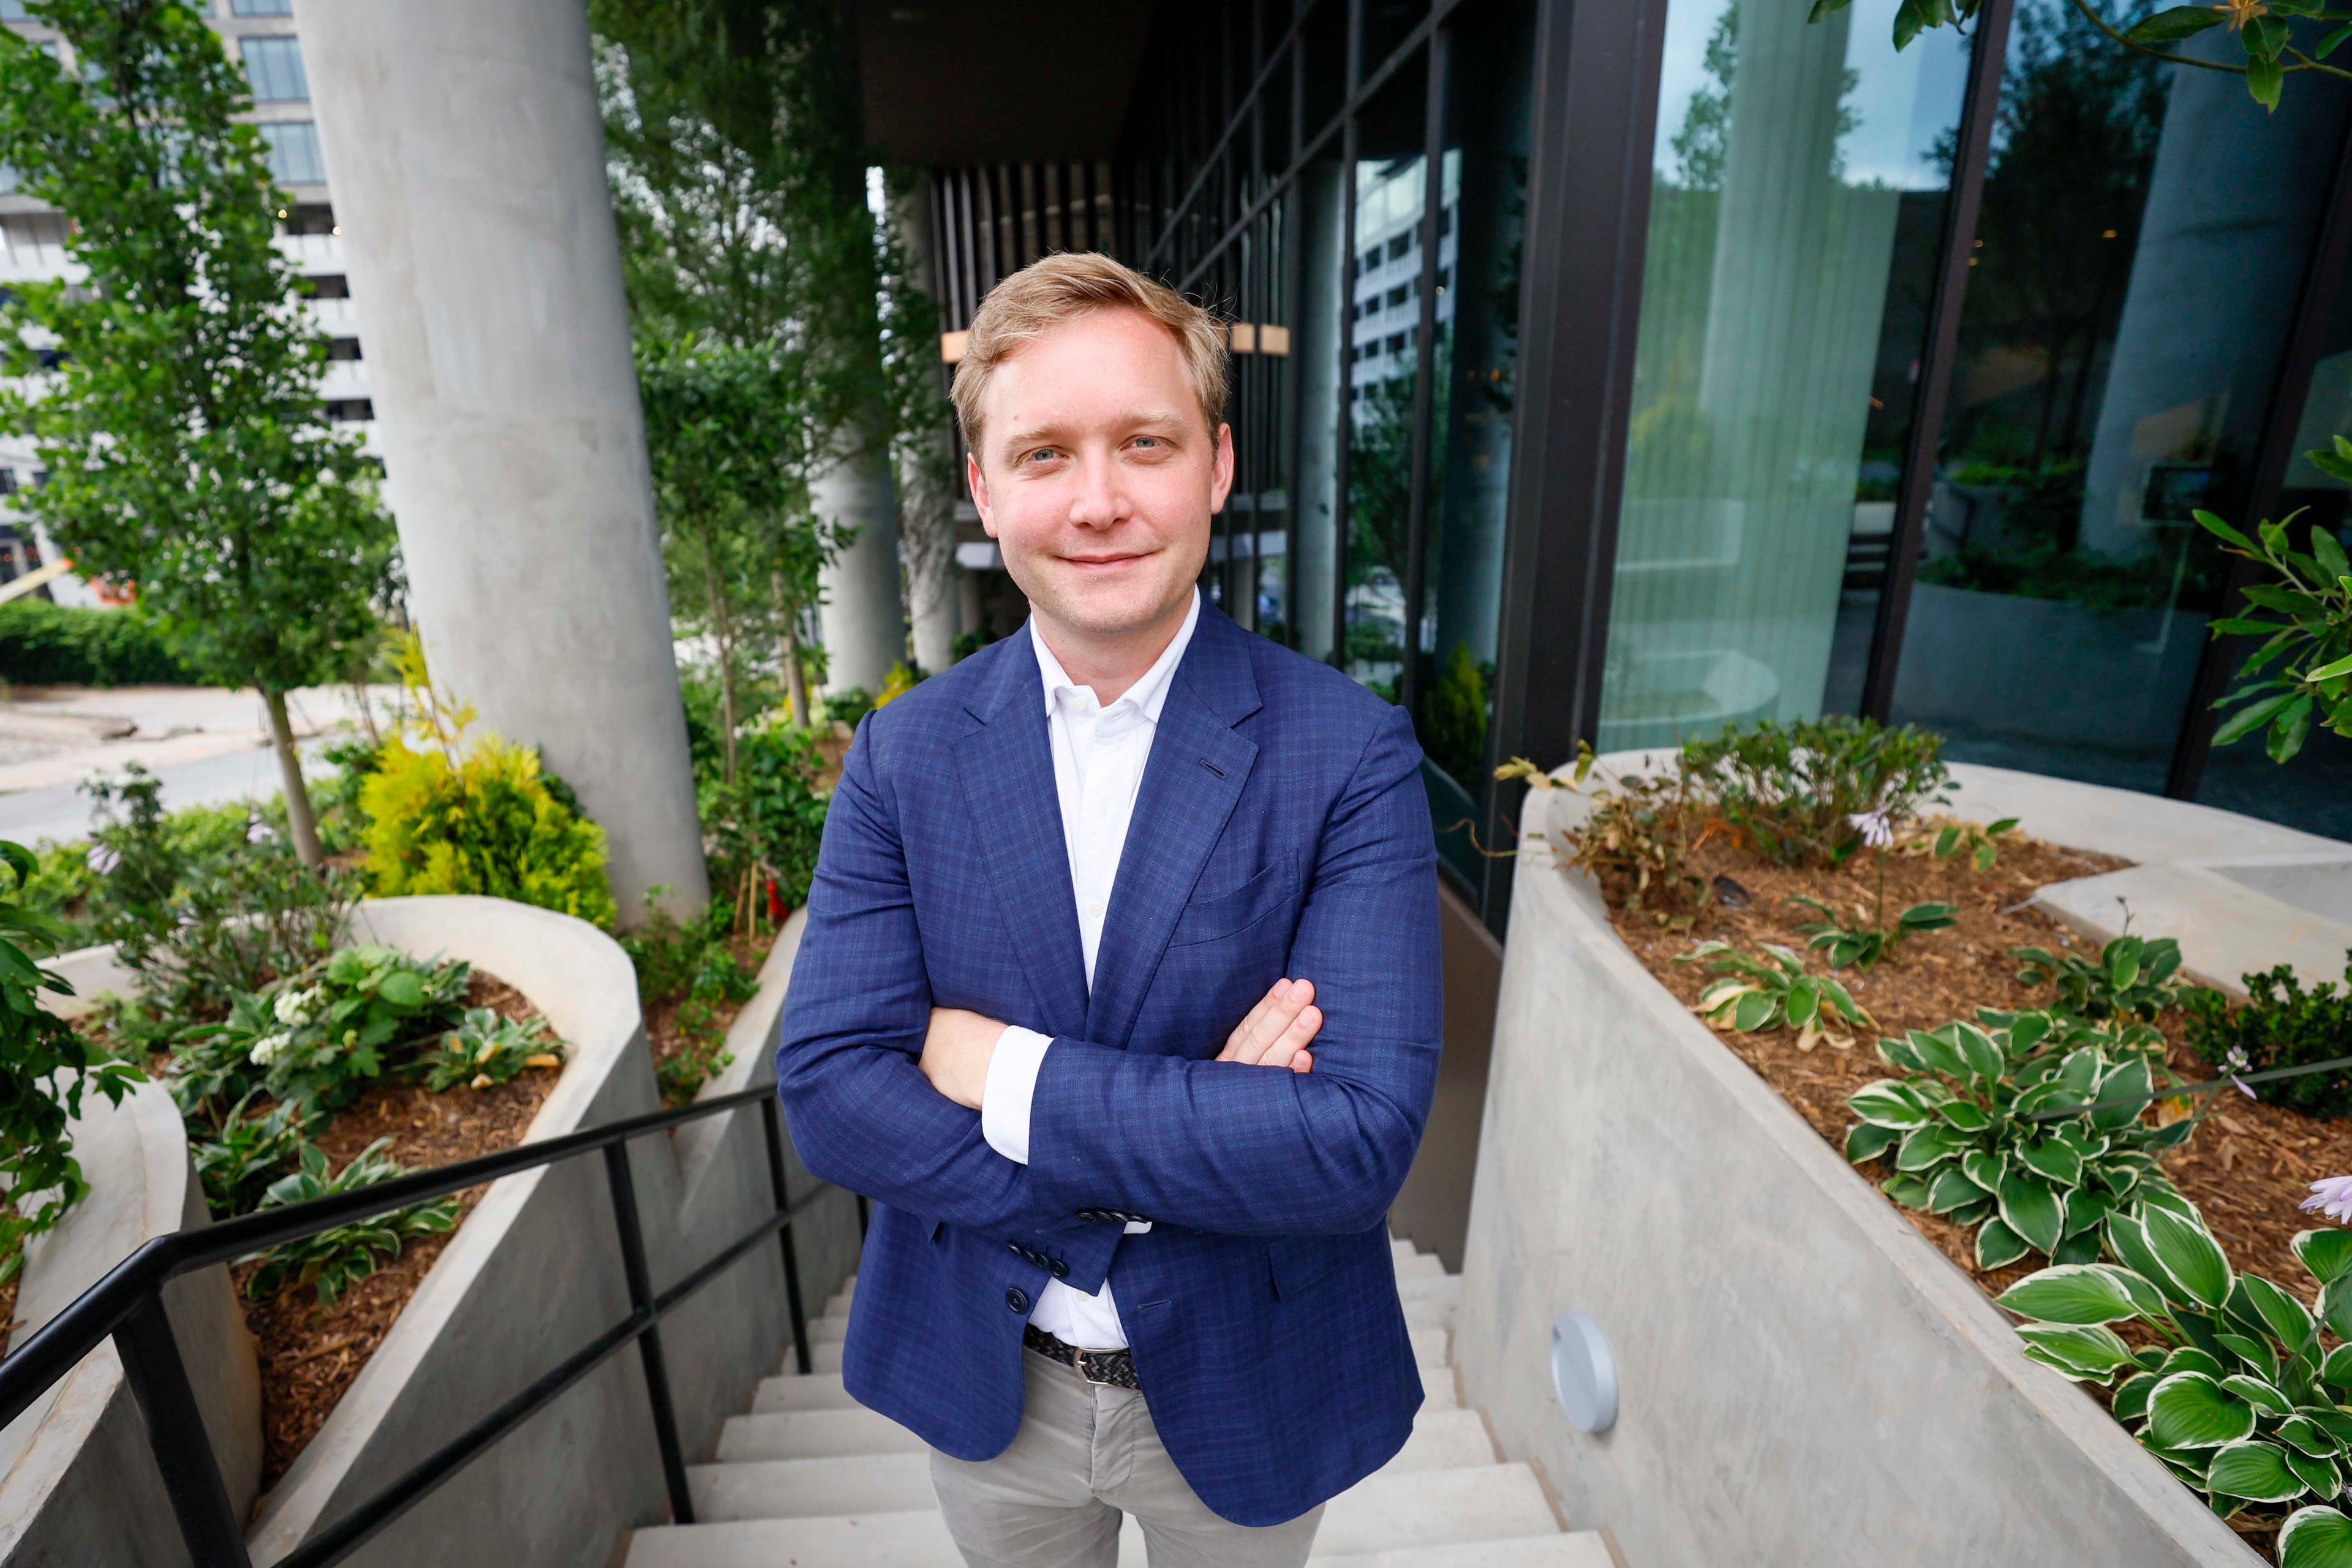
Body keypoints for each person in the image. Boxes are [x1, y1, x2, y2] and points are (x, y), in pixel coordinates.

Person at [775, 251, 1442, 1568]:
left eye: (1144, 442)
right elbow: (833, 1088)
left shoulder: (1349, 752)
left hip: (1251, 1375)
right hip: (987, 1379)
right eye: (1043, 455)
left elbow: (1354, 1139)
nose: (1099, 501)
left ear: (1218, 464)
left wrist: (1001, 1067)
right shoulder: (904, 754)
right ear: (982, 488)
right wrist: (1194, 1134)